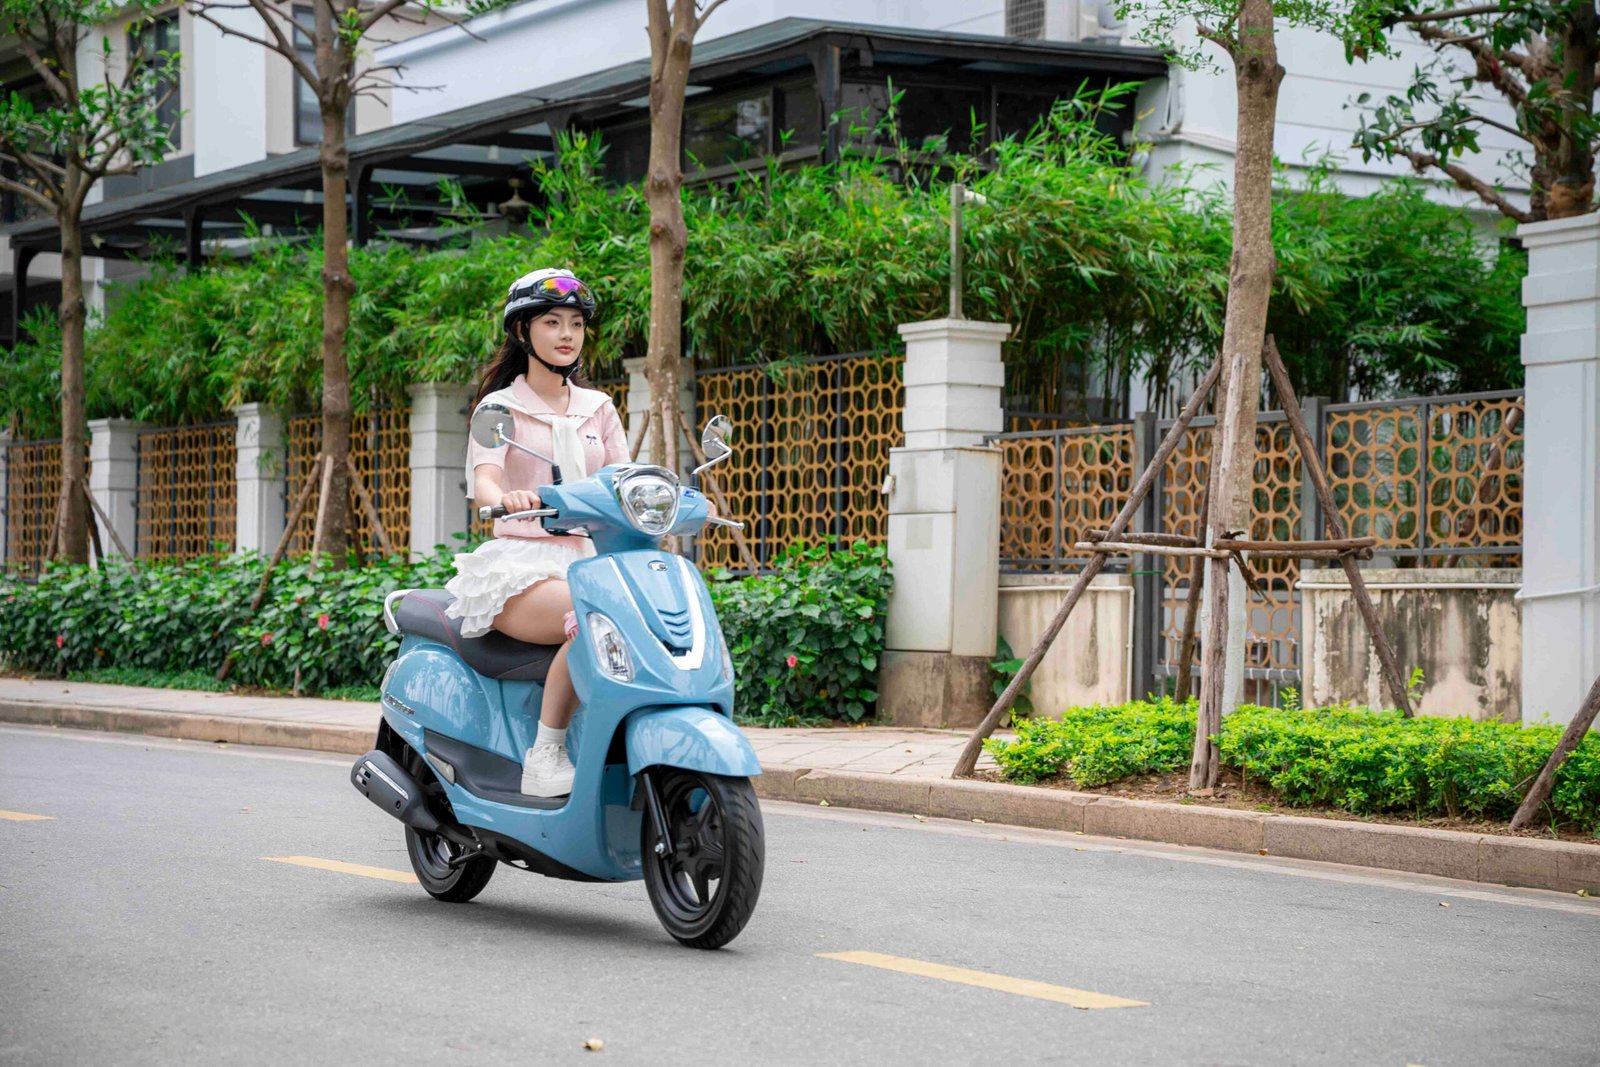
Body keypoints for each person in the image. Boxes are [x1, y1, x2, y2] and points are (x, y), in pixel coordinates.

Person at [445, 268, 629, 797]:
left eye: (576, 323)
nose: (567, 334)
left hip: (590, 556)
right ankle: (545, 752)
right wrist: (505, 499)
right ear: (523, 332)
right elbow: (485, 477)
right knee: (598, 611)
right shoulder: (500, 409)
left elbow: (621, 477)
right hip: (523, 564)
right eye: (552, 322)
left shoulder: (600, 409)